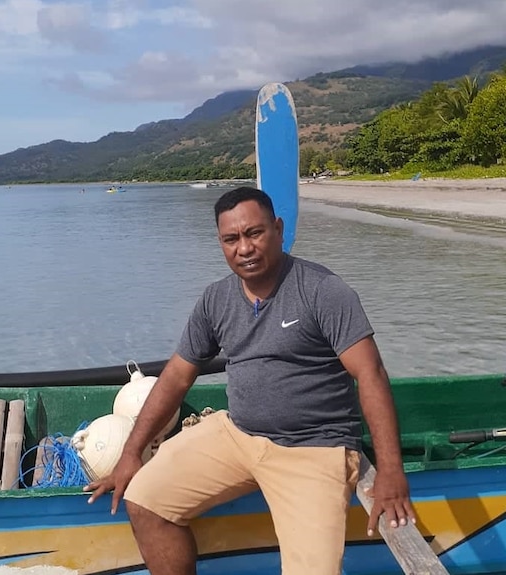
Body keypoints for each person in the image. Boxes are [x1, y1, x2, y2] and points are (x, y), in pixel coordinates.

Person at [85, 186, 413, 575]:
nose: (244, 248)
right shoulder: (216, 300)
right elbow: (174, 378)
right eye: (231, 239)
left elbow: (370, 374)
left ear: (278, 228)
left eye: (254, 233)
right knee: (145, 500)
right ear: (221, 243)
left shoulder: (322, 290)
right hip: (238, 434)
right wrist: (130, 455)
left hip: (313, 449)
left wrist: (391, 471)